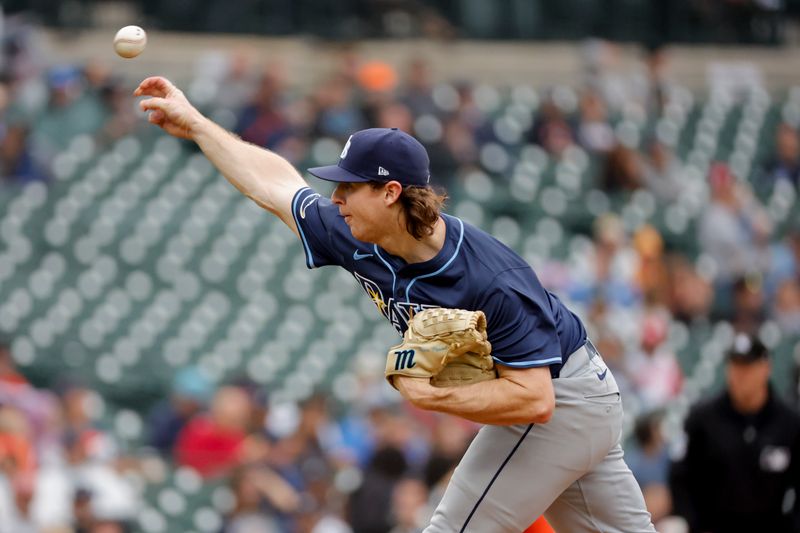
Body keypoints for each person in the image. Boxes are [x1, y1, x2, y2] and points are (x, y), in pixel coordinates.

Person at [135, 76, 655, 532]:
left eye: (348, 187)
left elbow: (536, 399)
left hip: (561, 402)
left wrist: (431, 397)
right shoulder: (356, 232)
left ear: (389, 192)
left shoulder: (491, 278)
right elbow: (275, 184)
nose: (335, 199)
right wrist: (200, 124)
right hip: (580, 404)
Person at [669, 333, 800, 533]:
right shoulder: (702, 418)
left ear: (765, 369)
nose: (740, 375)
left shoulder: (789, 421)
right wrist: (691, 522)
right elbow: (680, 476)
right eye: (735, 366)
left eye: (747, 367)